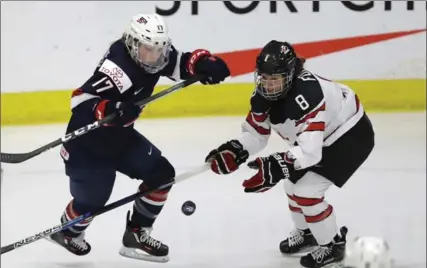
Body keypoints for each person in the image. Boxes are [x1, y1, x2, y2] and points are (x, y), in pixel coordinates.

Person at [47, 13, 230, 263]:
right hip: (86, 145)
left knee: (162, 174)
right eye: (149, 49)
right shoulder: (118, 70)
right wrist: (111, 109)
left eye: (159, 49)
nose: (156, 56)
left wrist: (203, 64)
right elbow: (80, 102)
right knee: (93, 199)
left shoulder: (150, 54)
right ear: (134, 45)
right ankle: (68, 232)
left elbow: (177, 62)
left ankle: (137, 234)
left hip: (119, 137)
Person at [205, 40, 375, 268]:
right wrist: (236, 150)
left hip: (349, 135)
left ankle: (333, 246)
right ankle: (308, 234)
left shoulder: (307, 96)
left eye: (274, 79)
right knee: (291, 185)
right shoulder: (263, 96)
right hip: (323, 137)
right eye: (263, 78)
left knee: (306, 191)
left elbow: (310, 153)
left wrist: (277, 165)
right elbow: (256, 134)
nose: (268, 85)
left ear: (290, 74)